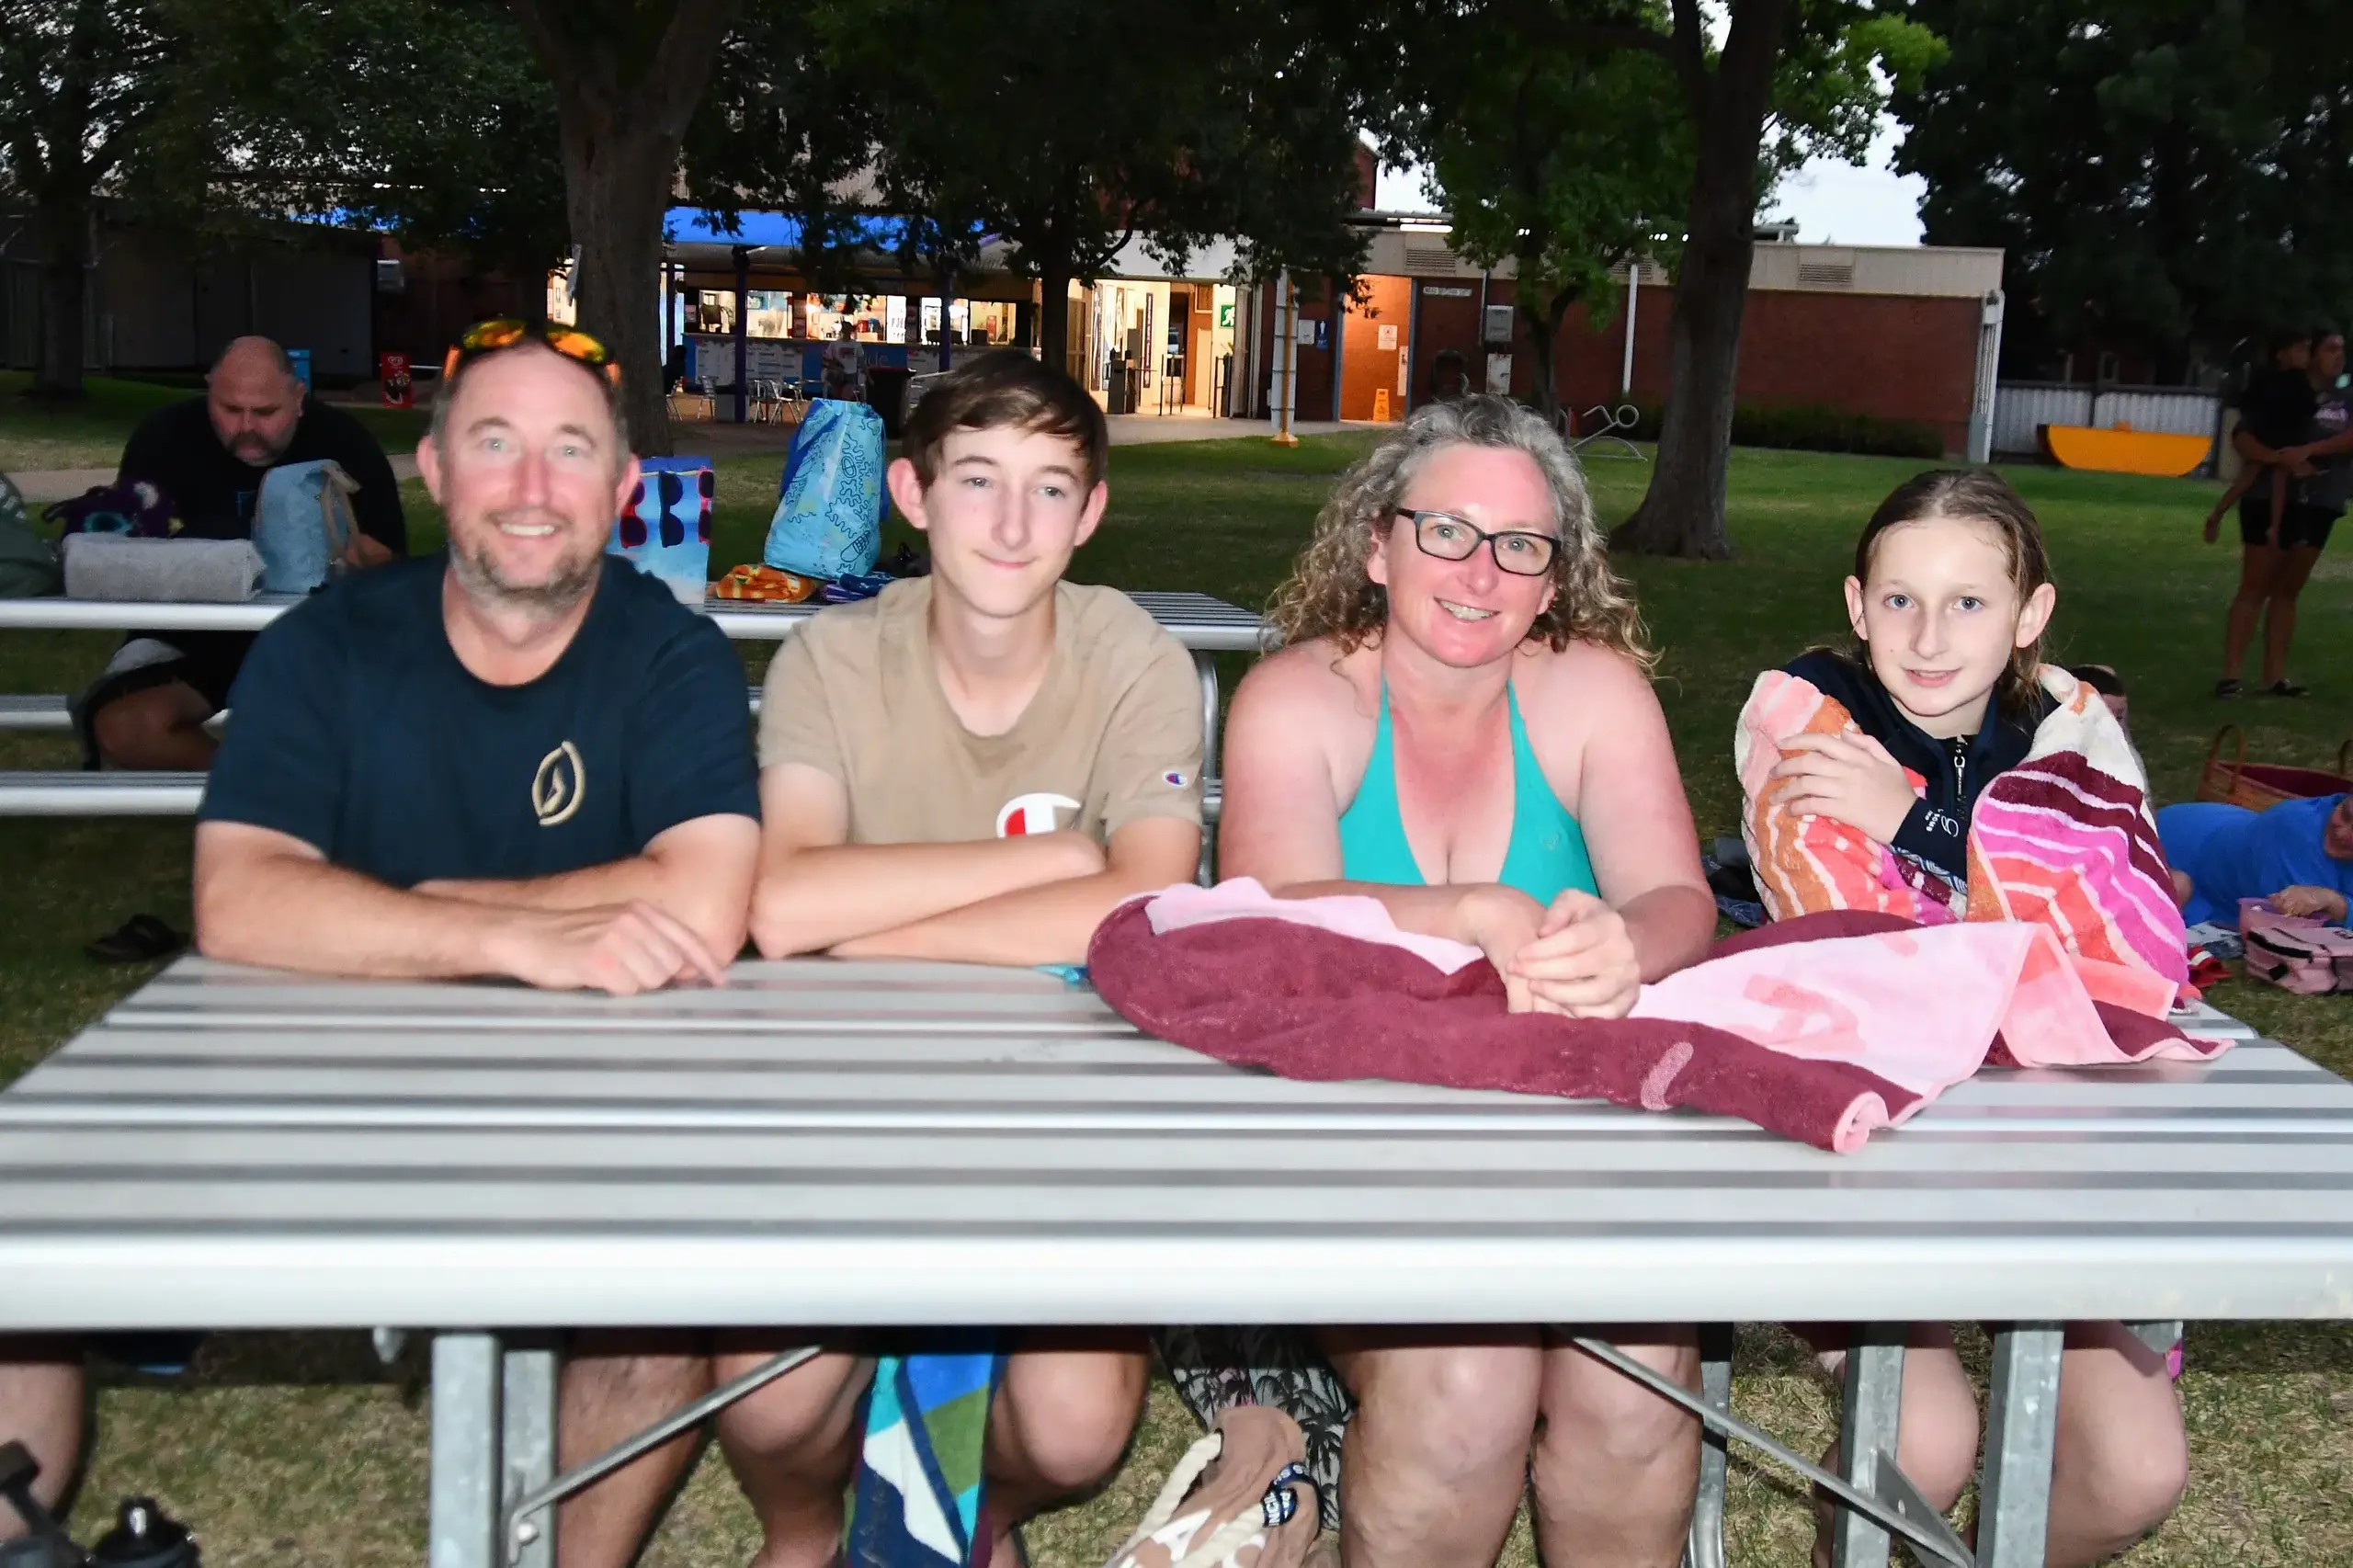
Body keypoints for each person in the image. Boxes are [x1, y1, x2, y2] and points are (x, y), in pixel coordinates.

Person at [3, 320, 761, 1557]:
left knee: (660, 1304)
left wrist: (372, 904)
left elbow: (706, 899)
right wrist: (527, 940)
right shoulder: (326, 644)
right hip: (318, 1074)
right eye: (494, 444)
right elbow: (240, 901)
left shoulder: (671, 653)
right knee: (26, 1235)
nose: (529, 487)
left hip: (597, 1091)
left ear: (623, 490)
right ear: (434, 467)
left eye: (570, 451)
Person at [554, 350, 1196, 1568]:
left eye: (1051, 487)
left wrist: (871, 920)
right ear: (911, 493)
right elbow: (781, 902)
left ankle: (972, 1505)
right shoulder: (835, 657)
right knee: (774, 1394)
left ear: (1094, 509)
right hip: (844, 1085)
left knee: (1075, 1431)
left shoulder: (1135, 657)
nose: (1012, 523)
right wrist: (1059, 859)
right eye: (977, 481)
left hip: (1058, 1093)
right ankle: (808, 1527)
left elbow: (1151, 900)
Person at [1210, 396, 1717, 1568]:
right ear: (1377, 544)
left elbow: (1680, 899)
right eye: (1445, 531)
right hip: (1356, 1143)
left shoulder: (1592, 694)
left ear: (1556, 579)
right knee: (1468, 1376)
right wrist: (1469, 916)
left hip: (1577, 1139)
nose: (1480, 571)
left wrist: (1629, 945)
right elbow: (1263, 911)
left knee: (1633, 1376)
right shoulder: (1301, 698)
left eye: (1520, 546)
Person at [1748, 468, 2187, 1568]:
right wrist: (2029, 909)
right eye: (1900, 600)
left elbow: (2136, 946)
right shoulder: (1805, 710)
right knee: (1925, 1443)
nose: (1930, 637)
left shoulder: (2071, 731)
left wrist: (1916, 820)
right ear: (1857, 605)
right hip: (1872, 1141)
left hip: (2054, 1151)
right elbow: (1873, 950)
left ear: (2032, 615)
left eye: (1970, 602)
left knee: (2135, 1468)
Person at [75, 336, 409, 770]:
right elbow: (129, 556)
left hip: (313, 639)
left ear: (298, 399)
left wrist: (359, 556)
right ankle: (273, 789)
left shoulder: (344, 443)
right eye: (230, 410)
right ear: (209, 390)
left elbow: (396, 564)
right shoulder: (164, 437)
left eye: (266, 413)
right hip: (194, 640)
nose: (246, 426)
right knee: (125, 728)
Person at [2214, 324, 2353, 698]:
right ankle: (2231, 675)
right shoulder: (2281, 392)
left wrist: (2309, 452)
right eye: (2329, 349)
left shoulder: (2345, 398)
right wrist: (2278, 458)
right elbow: (2243, 437)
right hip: (2268, 497)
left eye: (2342, 350)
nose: (2338, 356)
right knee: (2255, 585)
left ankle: (2275, 677)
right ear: (2309, 355)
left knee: (2289, 590)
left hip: (2321, 501)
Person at [2162, 791, 2353, 926]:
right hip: (2180, 841)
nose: (2342, 833)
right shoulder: (2296, 829)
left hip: (2229, 831)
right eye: (2345, 814)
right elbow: (2295, 923)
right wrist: (2336, 904)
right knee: (2176, 888)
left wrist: (2335, 902)